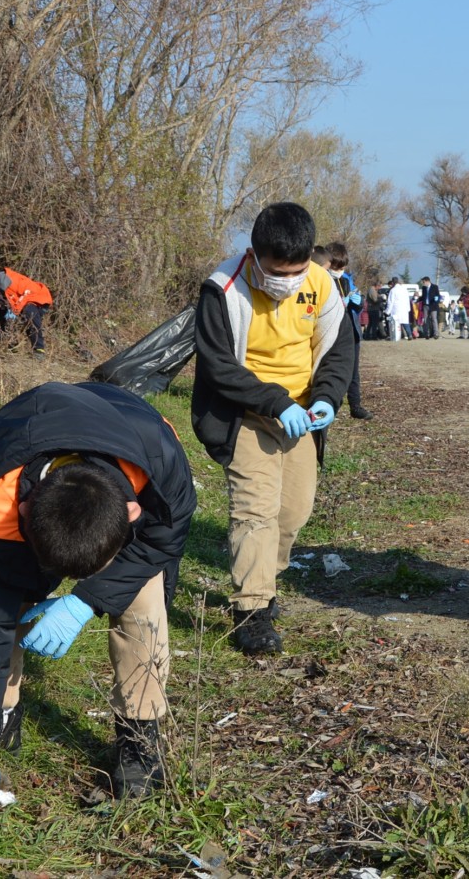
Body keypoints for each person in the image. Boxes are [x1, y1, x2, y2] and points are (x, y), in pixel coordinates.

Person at [0, 381, 196, 825]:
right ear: (23, 512)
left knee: (143, 595)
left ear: (132, 515)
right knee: (1, 595)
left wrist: (83, 602)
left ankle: (140, 737)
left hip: (128, 431)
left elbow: (160, 545)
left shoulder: (161, 471)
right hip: (39, 437)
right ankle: (0, 714)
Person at [190, 202, 354, 655]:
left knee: (293, 512)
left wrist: (325, 398)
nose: (288, 281)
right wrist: (274, 402)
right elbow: (218, 366)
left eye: (297, 270)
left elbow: (340, 350)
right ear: (254, 255)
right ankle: (251, 611)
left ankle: (266, 579)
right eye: (278, 272)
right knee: (254, 511)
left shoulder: (322, 283)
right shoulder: (222, 288)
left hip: (302, 415)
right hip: (246, 412)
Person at [324, 242, 373, 419]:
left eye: (343, 266)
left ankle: (355, 406)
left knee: (353, 371)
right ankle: (329, 406)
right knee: (331, 371)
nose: (340, 270)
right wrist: (341, 302)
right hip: (331, 331)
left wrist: (357, 301)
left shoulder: (346, 280)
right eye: (337, 266)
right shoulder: (322, 279)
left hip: (351, 330)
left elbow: (358, 307)